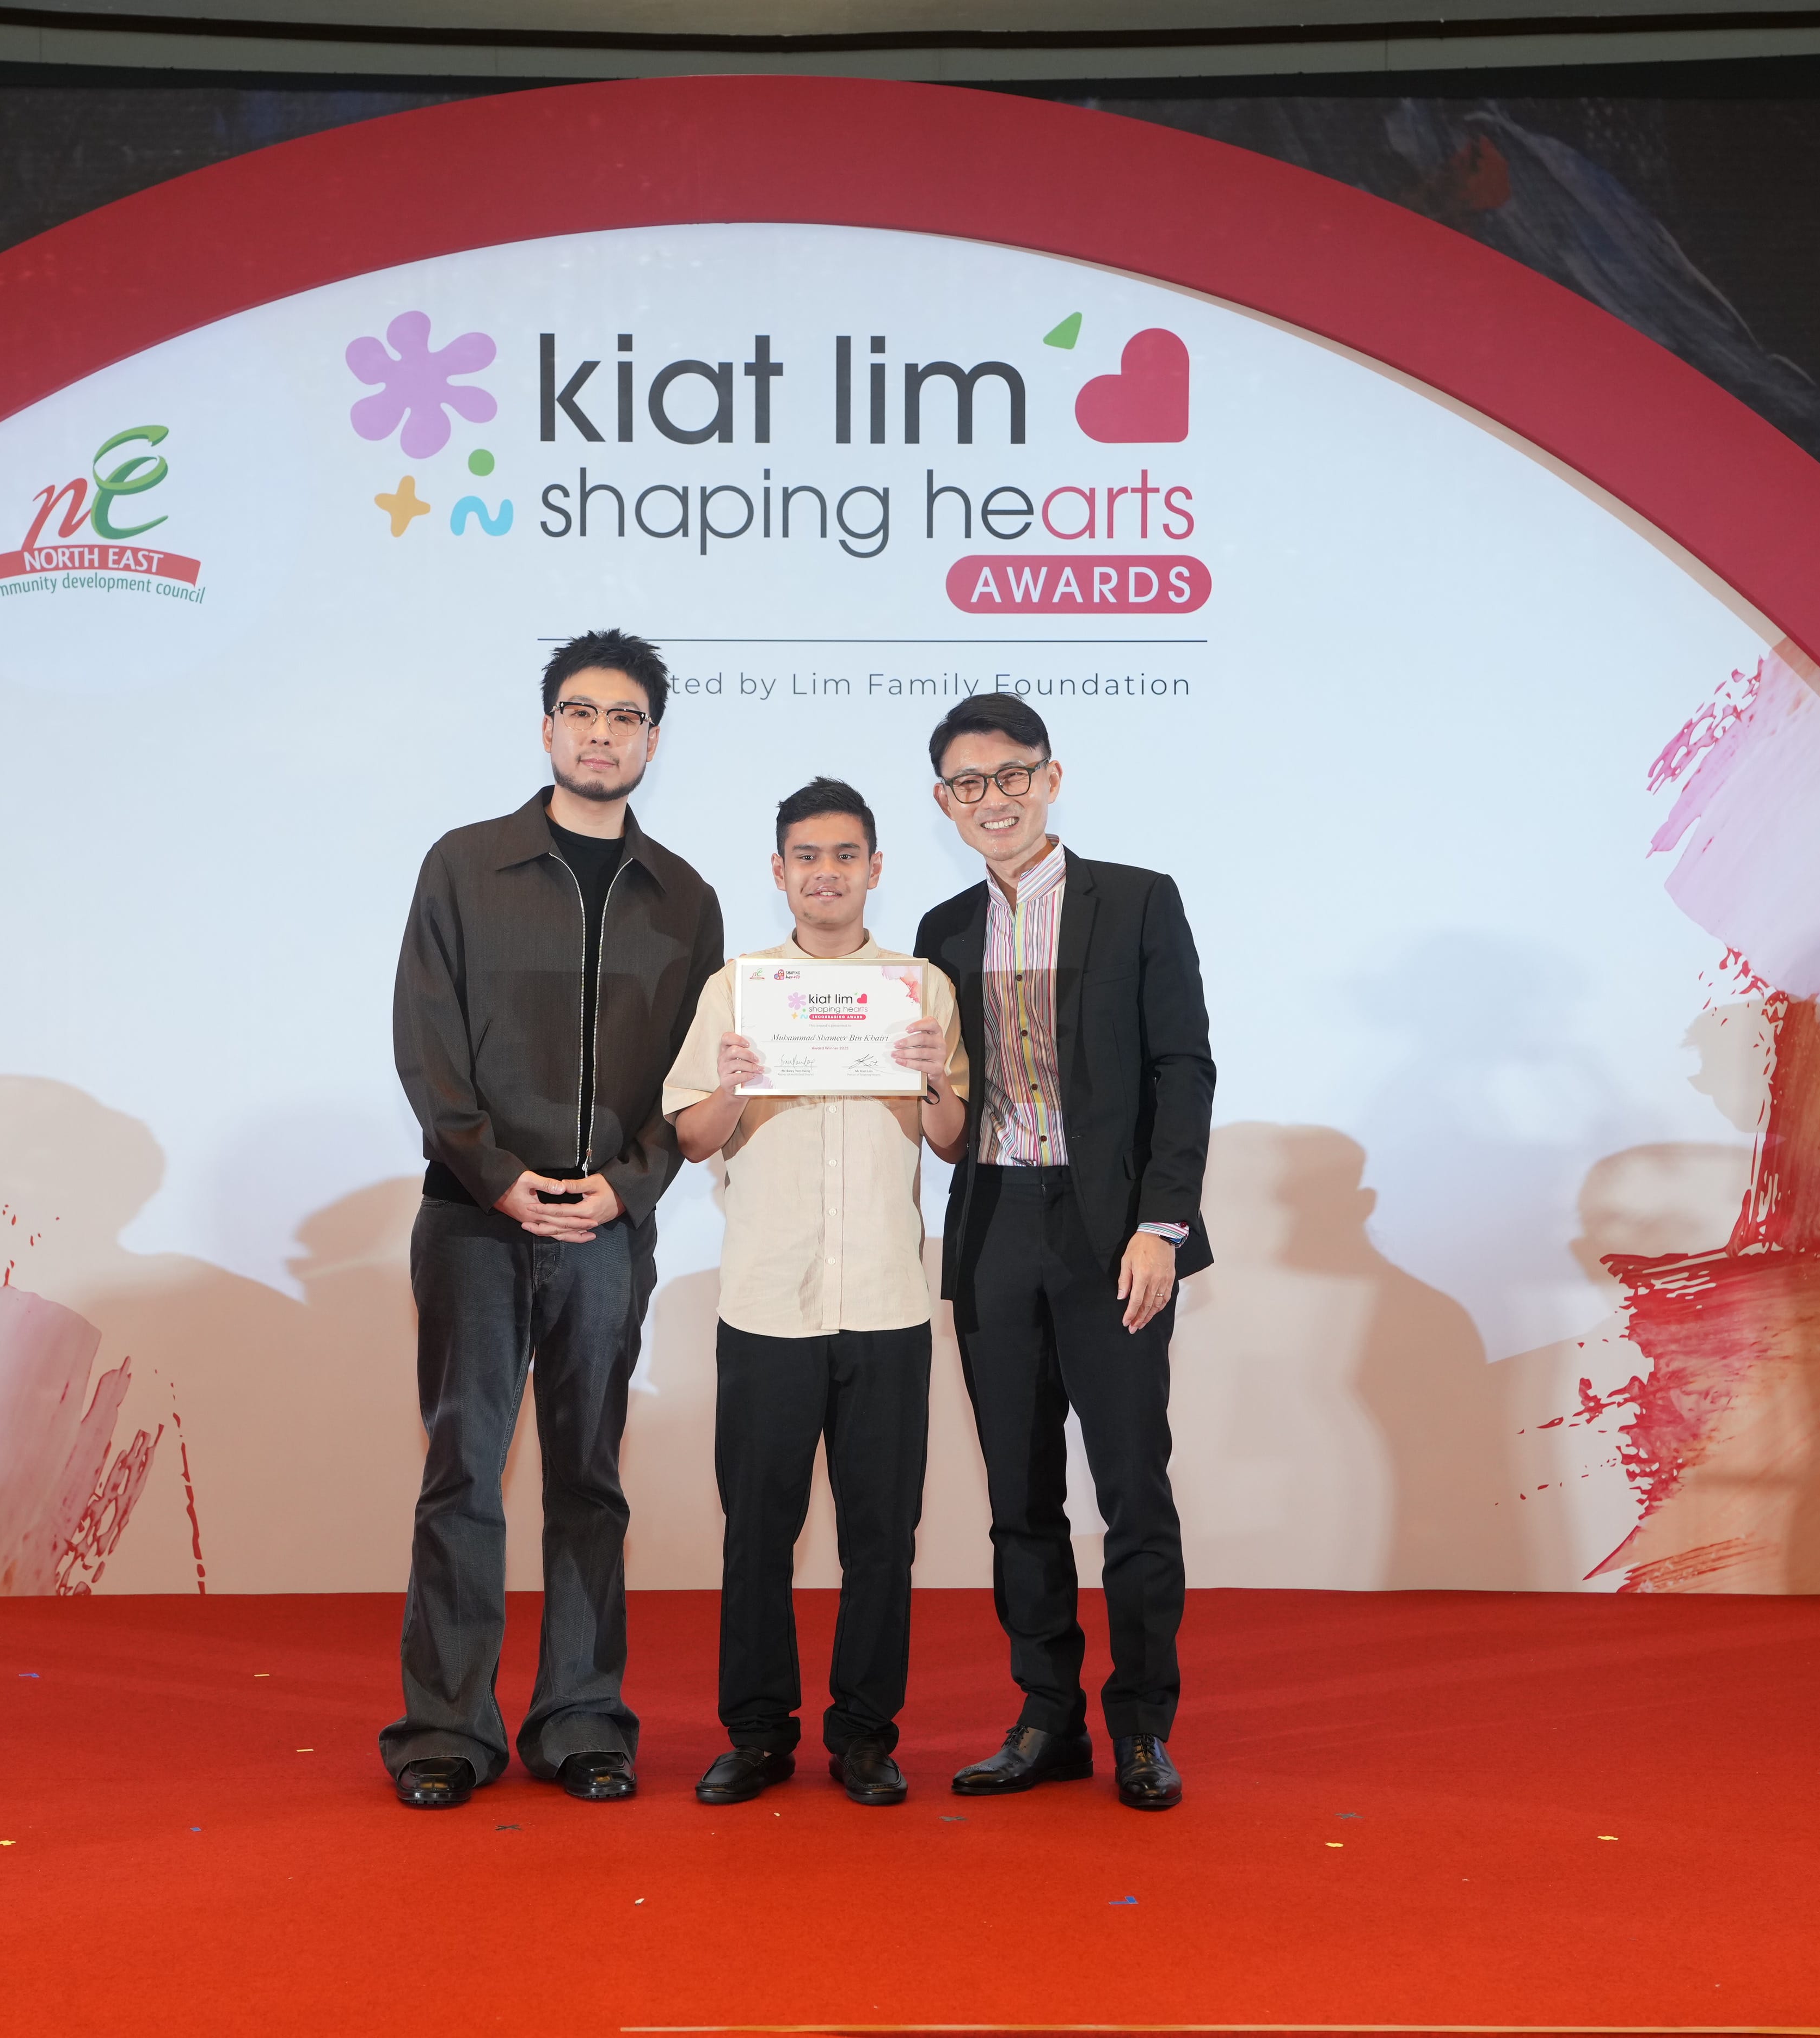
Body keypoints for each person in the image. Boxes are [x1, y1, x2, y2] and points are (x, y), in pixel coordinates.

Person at [383, 630, 725, 1810]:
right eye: (578, 713)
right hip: (475, 1221)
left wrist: (624, 1188)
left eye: (624, 718)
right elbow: (426, 1047)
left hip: (608, 1231)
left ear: (653, 741)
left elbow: (695, 1083)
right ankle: (446, 1726)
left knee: (590, 1479)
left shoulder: (686, 897)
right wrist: (497, 1176)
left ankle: (583, 1719)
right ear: (545, 729)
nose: (599, 734)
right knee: (463, 1473)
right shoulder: (466, 866)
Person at [912, 695, 1214, 1812]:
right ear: (943, 803)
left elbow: (1183, 1069)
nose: (992, 800)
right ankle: (1047, 1717)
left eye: (1011, 776)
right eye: (967, 786)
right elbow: (949, 1101)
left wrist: (1161, 1225)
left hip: (1113, 1233)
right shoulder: (941, 933)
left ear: (1051, 778)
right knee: (1018, 1496)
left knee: (1132, 1488)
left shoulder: (1135, 902)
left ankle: (1142, 1725)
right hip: (992, 1227)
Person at [661, 779, 970, 1808]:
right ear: (780, 869)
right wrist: (741, 1084)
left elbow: (953, 1138)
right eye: (806, 855)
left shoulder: (920, 988)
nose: (825, 873)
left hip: (886, 1299)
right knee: (758, 1529)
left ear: (876, 867)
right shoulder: (737, 989)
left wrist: (932, 1078)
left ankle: (867, 1737)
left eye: (846, 855)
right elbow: (689, 1134)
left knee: (883, 1534)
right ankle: (756, 1735)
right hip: (766, 1304)